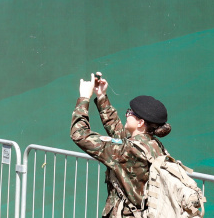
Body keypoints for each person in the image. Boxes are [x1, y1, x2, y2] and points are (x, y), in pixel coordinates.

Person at [71, 73, 171, 218]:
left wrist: (84, 98)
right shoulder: (153, 145)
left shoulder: (126, 150)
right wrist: (101, 96)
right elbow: (118, 133)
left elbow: (79, 134)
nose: (126, 114)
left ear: (140, 123)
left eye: (130, 112)